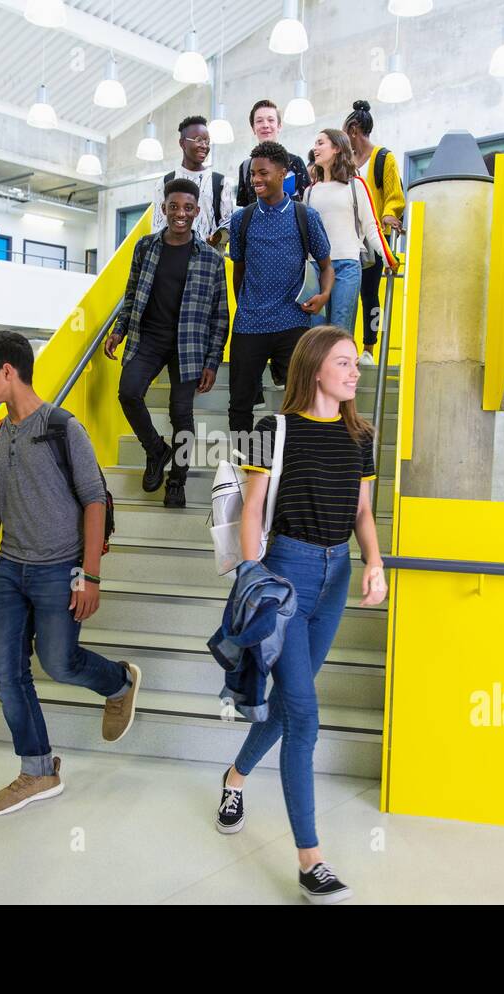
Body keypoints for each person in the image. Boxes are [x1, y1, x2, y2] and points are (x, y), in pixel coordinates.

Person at [216, 324, 387, 904]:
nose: (354, 371)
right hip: (284, 574)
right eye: (344, 362)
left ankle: (234, 777)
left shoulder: (360, 435)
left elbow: (363, 512)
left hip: (335, 576)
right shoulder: (272, 429)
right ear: (315, 367)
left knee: (289, 709)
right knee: (305, 716)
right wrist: (250, 572)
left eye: (355, 364)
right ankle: (310, 860)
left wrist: (374, 563)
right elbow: (252, 508)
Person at [0, 330, 141, 817]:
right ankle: (38, 769)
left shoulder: (64, 427)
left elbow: (93, 500)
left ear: (8, 371)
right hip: (9, 570)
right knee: (6, 672)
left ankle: (119, 683)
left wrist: (90, 574)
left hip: (61, 568)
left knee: (59, 662)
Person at [107, 178, 229, 509]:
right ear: (164, 209)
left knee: (181, 413)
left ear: (196, 212)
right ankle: (155, 449)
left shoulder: (211, 259)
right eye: (174, 207)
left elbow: (220, 316)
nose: (180, 213)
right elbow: (131, 295)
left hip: (189, 346)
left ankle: (177, 479)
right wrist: (119, 330)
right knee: (128, 392)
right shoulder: (145, 247)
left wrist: (212, 362)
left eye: (188, 208)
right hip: (148, 338)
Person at [226, 141, 333, 443]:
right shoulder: (241, 219)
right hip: (249, 325)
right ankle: (246, 466)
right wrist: (246, 306)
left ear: (283, 173)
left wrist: (323, 296)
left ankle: (292, 460)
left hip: (293, 323)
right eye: (252, 175)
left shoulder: (305, 216)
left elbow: (326, 266)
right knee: (240, 404)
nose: (256, 180)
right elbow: (239, 269)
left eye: (263, 173)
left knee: (301, 402)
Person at [344, 99, 405, 366]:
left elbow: (394, 195)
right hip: (346, 239)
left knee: (370, 293)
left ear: (354, 130)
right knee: (345, 293)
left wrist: (390, 213)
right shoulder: (344, 161)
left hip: (372, 239)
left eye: (346, 132)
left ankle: (369, 347)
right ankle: (345, 346)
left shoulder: (383, 158)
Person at [303, 129, 379, 335]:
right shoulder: (309, 192)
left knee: (340, 330)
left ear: (336, 148)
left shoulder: (356, 185)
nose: (315, 148)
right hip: (315, 267)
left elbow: (371, 226)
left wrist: (388, 258)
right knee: (315, 333)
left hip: (347, 264)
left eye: (320, 143)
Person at [150, 115, 235, 250]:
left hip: (209, 262)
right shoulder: (165, 183)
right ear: (182, 143)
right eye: (198, 140)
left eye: (207, 141)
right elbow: (157, 226)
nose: (204, 146)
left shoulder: (221, 182)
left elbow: (230, 224)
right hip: (173, 258)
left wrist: (215, 238)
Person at [235, 100, 311, 207]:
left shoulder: (295, 162)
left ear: (279, 126)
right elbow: (244, 208)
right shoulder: (245, 167)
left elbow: (306, 203)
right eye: (259, 121)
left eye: (271, 120)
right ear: (253, 128)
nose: (265, 125)